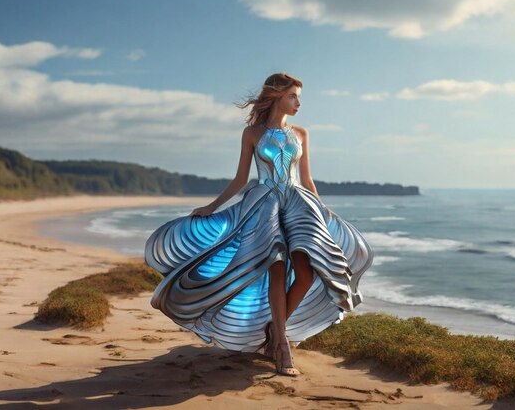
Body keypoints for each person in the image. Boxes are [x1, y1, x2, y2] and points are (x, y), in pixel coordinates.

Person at [145, 72, 373, 376]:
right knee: (276, 268)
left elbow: (306, 178)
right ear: (276, 96)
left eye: (299, 96)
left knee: (305, 274)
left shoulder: (301, 133)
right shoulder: (252, 133)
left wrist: (323, 211)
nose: (298, 103)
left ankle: (273, 330)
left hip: (298, 204)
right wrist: (213, 206)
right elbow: (241, 179)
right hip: (263, 206)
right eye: (293, 96)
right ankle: (281, 345)